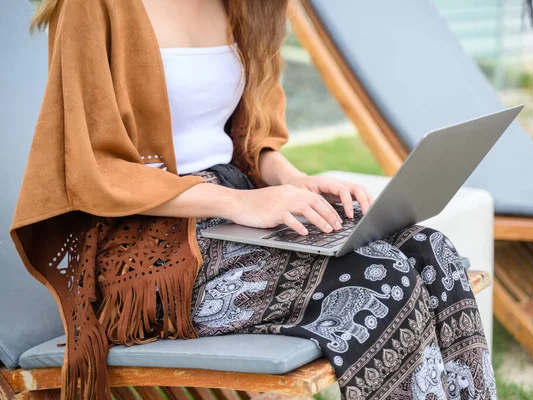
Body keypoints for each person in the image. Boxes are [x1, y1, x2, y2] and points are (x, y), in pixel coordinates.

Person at [12, 0, 496, 399]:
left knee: (433, 252)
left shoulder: (250, 5)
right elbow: (91, 168)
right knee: (381, 278)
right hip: (148, 250)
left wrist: (294, 178)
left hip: (236, 209)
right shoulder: (92, 7)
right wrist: (236, 203)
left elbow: (249, 135)